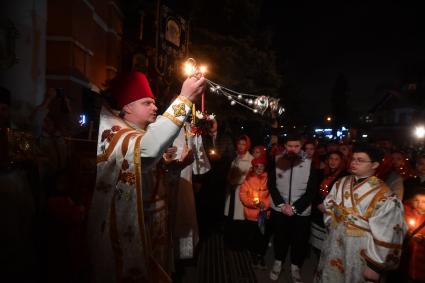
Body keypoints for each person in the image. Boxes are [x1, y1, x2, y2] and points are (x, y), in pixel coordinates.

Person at [87, 71, 205, 283]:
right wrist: (184, 99)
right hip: (134, 224)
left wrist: (176, 168)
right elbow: (148, 151)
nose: (155, 107)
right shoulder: (117, 135)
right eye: (147, 103)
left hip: (157, 222)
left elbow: (154, 176)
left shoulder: (143, 133)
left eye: (154, 102)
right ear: (127, 107)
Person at [314, 143, 407, 283]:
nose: (354, 163)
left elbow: (389, 232)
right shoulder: (342, 182)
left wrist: (375, 266)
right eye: (353, 159)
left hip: (360, 249)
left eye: (360, 160)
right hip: (334, 241)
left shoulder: (385, 196)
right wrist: (334, 222)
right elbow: (329, 205)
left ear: (375, 165)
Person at [268, 134, 318, 283]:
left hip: (301, 211)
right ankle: (278, 262)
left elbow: (311, 191)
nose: (293, 149)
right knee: (280, 237)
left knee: (299, 240)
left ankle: (295, 266)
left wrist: (295, 208)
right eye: (290, 146)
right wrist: (282, 205)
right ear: (285, 146)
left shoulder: (310, 162)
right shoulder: (277, 160)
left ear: (300, 146)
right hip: (280, 209)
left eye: (296, 146)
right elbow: (271, 184)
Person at [310, 151, 348, 257]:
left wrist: (328, 206)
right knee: (317, 242)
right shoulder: (322, 173)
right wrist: (318, 203)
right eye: (331, 158)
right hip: (318, 210)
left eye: (336, 159)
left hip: (332, 213)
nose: (333, 161)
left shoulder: (345, 176)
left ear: (341, 162)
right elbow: (313, 190)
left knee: (329, 244)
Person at [223, 135, 254, 250]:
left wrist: (237, 180)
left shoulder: (250, 160)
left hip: (241, 192)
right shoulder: (235, 157)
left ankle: (238, 245)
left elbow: (249, 177)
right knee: (231, 217)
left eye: (243, 144)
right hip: (231, 191)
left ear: (247, 145)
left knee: (239, 219)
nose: (241, 146)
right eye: (239, 144)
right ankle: (230, 242)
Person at [239, 156, 270, 269]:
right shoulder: (248, 179)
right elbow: (243, 194)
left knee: (262, 236)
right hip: (251, 214)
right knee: (252, 235)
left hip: (263, 215)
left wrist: (265, 204)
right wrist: (252, 203)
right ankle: (253, 254)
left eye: (262, 167)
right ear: (253, 168)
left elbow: (271, 195)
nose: (259, 169)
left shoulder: (268, 179)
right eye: (257, 167)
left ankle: (260, 254)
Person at [402, 188, 425, 283]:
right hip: (406, 262)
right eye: (416, 200)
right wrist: (408, 234)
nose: (419, 204)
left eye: (423, 202)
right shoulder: (406, 213)